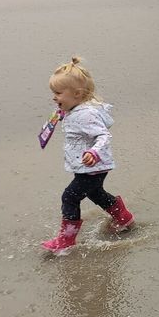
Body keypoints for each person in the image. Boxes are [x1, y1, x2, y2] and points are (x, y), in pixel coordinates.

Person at [41, 56, 135, 255]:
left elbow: (103, 135)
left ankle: (66, 240)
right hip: (88, 167)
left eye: (58, 93)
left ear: (76, 94)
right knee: (95, 194)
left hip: (93, 166)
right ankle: (123, 217)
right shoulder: (74, 109)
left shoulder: (85, 114)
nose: (53, 97)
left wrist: (93, 152)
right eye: (53, 93)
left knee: (69, 197)